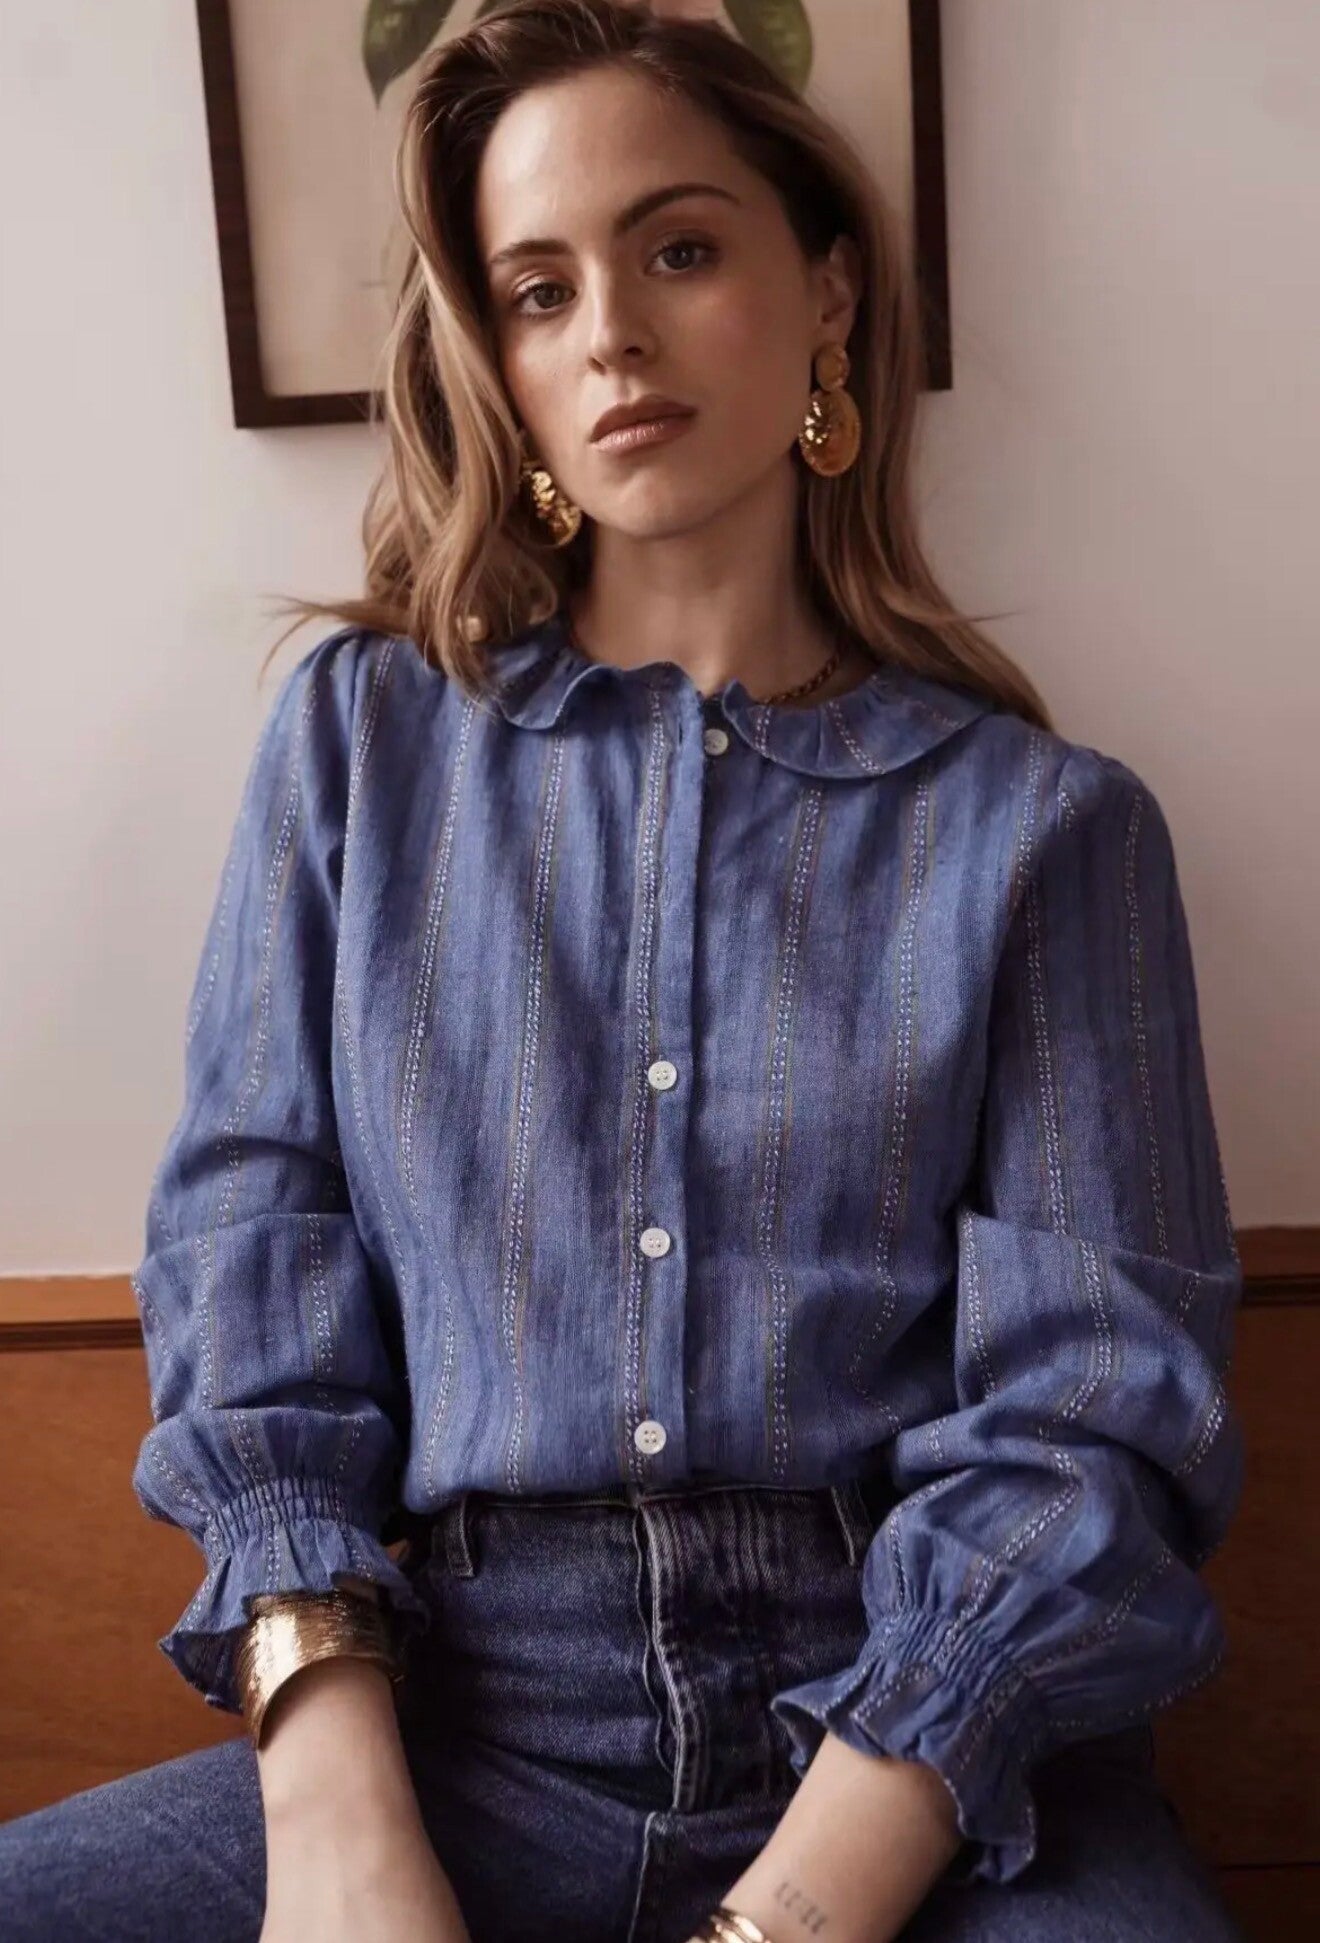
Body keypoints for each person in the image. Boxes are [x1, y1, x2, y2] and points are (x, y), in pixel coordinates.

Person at [0, 3, 1248, 1938]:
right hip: (455, 1723)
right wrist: (337, 1823)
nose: (610, 335)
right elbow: (255, 1271)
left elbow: (1089, 1422)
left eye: (677, 249)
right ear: (495, 358)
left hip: (925, 1758)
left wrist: (793, 1914)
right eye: (538, 289)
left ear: (826, 290)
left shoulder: (1050, 832)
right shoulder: (358, 747)